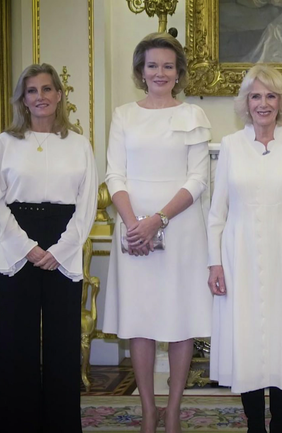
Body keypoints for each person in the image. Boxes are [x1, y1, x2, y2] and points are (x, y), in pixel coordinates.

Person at [102, 32, 213, 433]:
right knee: (141, 319)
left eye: (168, 65)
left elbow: (199, 178)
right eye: (152, 65)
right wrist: (135, 225)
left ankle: (174, 411)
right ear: (140, 71)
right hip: (133, 229)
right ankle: (149, 410)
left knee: (181, 318)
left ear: (179, 72)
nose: (160, 72)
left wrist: (158, 220)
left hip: (180, 228)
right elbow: (115, 173)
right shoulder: (123, 115)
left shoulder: (194, 116)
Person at [0, 63, 97, 433]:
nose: (41, 97)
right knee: (17, 343)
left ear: (60, 95)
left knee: (64, 344)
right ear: (23, 99)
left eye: (47, 89)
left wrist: (59, 251)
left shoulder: (79, 144)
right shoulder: (5, 143)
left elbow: (88, 205)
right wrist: (28, 247)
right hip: (17, 243)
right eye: (32, 91)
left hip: (64, 242)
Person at [207, 64, 282, 433]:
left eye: (271, 96)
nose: (263, 103)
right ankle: (255, 423)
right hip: (238, 257)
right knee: (248, 340)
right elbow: (216, 212)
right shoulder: (231, 145)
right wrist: (214, 264)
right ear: (246, 102)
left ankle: (281, 423)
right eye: (256, 95)